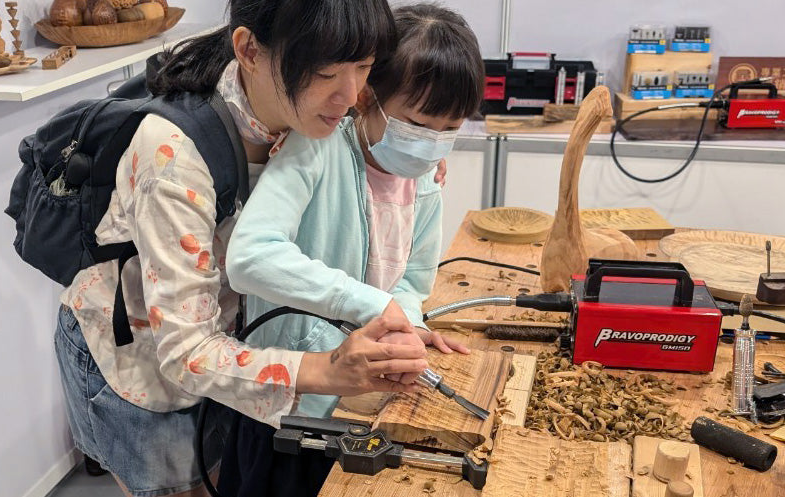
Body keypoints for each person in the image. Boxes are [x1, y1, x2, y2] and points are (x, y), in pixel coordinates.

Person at [52, 2, 433, 497]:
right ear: (250, 50)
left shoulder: (303, 111)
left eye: (364, 67)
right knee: (181, 486)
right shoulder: (172, 157)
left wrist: (409, 155)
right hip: (140, 356)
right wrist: (328, 371)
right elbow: (186, 351)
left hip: (228, 342)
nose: (352, 94)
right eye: (326, 73)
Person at [223, 3, 485, 496]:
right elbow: (250, 256)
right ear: (367, 98)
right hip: (288, 407)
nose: (431, 145)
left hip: (358, 408)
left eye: (450, 131)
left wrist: (407, 328)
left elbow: (411, 281)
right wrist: (373, 305)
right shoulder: (316, 148)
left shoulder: (423, 178)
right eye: (418, 124)